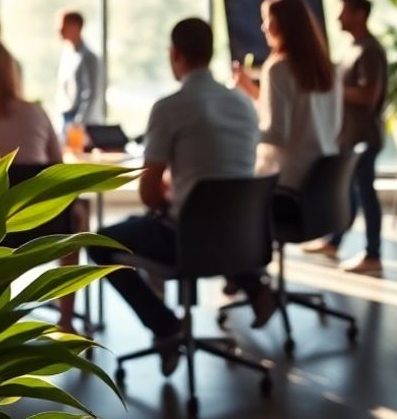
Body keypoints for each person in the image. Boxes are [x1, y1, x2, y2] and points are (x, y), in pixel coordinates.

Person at [87, 19, 275, 374]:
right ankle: (252, 283)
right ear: (211, 52)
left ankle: (166, 327)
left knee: (98, 243)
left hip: (187, 242)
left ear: (175, 54)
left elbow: (148, 193)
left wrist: (169, 200)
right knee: (207, 215)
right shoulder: (243, 104)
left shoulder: (170, 107)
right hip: (242, 239)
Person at [0, 41, 84, 332]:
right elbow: (57, 167)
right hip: (44, 225)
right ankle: (67, 319)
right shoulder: (36, 111)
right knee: (77, 217)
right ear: (13, 73)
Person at [303, 0, 388, 274]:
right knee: (349, 193)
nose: (338, 17)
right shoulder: (353, 48)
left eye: (344, 12)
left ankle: (373, 254)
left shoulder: (369, 51)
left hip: (364, 136)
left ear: (360, 14)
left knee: (365, 194)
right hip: (350, 136)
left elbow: (368, 95)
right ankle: (334, 241)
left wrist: (332, 89)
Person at [233, 0, 342, 190]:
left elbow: (277, 133)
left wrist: (240, 131)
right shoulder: (329, 69)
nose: (263, 27)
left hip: (287, 182)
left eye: (267, 19)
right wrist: (251, 90)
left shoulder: (278, 68)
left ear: (281, 24)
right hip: (321, 181)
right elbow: (301, 115)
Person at [56, 10, 100, 135]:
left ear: (77, 27)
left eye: (64, 25)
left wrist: (78, 123)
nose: (60, 30)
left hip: (80, 122)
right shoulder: (67, 55)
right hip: (67, 117)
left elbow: (92, 94)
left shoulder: (89, 57)